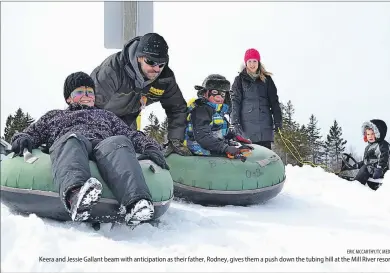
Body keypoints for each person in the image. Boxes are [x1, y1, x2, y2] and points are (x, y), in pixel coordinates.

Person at [10, 72, 169, 225]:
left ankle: (136, 203)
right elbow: (32, 132)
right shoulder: (55, 116)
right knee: (72, 140)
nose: (86, 95)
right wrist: (22, 139)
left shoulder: (106, 116)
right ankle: (76, 196)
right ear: (68, 98)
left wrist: (149, 146)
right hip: (73, 143)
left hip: (103, 146)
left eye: (90, 92)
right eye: (80, 91)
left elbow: (130, 134)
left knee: (119, 141)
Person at [90, 32, 192, 157]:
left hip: (127, 121)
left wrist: (175, 140)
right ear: (139, 57)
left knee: (127, 155)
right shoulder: (113, 69)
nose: (156, 69)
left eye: (161, 64)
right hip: (99, 117)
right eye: (151, 62)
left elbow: (177, 108)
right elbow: (90, 106)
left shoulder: (164, 79)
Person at [185, 74, 253, 161]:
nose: (219, 97)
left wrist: (234, 136)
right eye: (214, 92)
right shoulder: (201, 110)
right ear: (205, 93)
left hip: (212, 147)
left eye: (222, 94)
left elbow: (218, 133)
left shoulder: (218, 112)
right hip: (199, 150)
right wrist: (225, 148)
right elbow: (203, 137)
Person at [230, 48, 283, 150]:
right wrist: (235, 122)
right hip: (246, 127)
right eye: (249, 61)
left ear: (258, 62)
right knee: (249, 158)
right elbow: (235, 102)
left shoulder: (267, 79)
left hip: (265, 125)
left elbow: (274, 102)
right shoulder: (239, 80)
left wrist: (278, 121)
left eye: (254, 61)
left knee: (264, 157)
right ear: (246, 63)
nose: (252, 64)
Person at [352, 119, 390, 191]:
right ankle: (349, 182)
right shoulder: (368, 147)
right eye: (368, 134)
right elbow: (367, 161)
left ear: (378, 134)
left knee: (365, 168)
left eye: (372, 134)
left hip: (379, 171)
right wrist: (359, 164)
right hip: (370, 170)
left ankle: (355, 187)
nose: (370, 136)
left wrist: (379, 168)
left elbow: (384, 157)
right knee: (363, 168)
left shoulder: (382, 145)